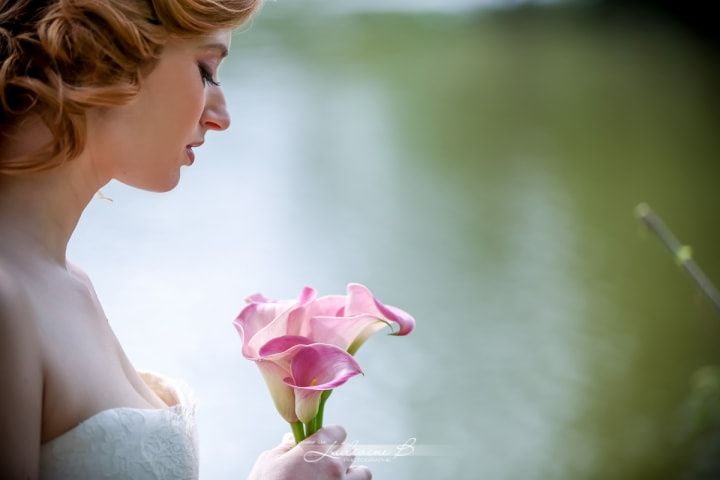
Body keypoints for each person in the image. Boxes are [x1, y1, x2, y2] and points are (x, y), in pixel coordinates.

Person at [0, 1, 372, 479]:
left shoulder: (68, 284)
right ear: (103, 48)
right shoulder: (7, 297)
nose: (222, 116)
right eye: (206, 70)